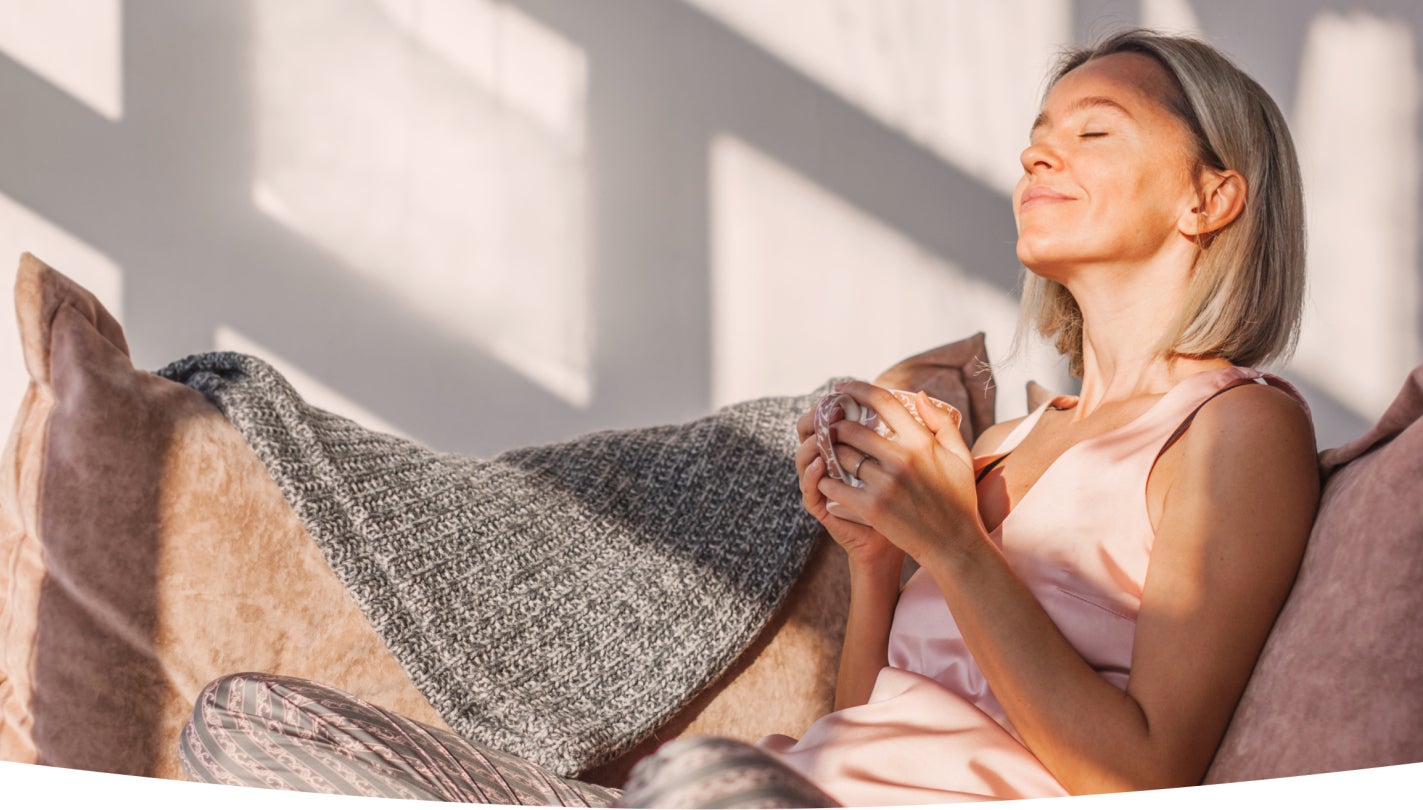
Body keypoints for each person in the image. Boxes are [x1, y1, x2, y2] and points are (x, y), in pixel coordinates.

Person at [178, 28, 1319, 806]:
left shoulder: (1235, 427)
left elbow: (1147, 775)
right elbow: (876, 717)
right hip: (788, 785)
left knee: (701, 783)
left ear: (1210, 195)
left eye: (1095, 129)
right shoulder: (1008, 442)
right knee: (242, 724)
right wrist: (878, 562)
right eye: (1037, 130)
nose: (1037, 150)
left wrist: (956, 546)